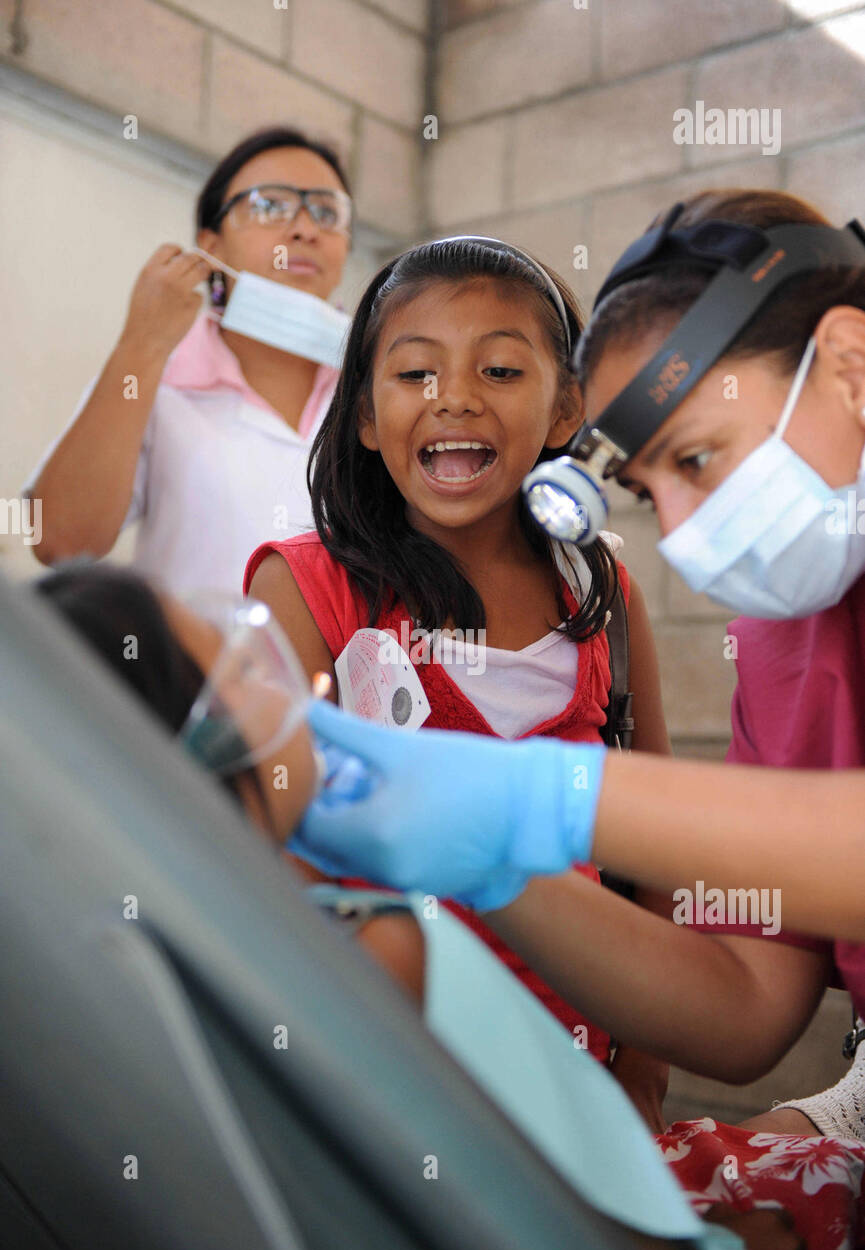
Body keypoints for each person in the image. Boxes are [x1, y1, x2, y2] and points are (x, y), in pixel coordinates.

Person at [289, 189, 865, 1250]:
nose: (688, 538)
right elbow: (747, 1007)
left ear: (847, 359)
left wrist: (540, 798)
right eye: (650, 492)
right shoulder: (787, 637)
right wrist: (496, 871)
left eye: (698, 460)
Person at [34, 561, 798, 1250]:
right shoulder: (374, 949)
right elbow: (515, 1220)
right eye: (240, 670)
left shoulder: (173, 982)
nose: (296, 684)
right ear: (205, 750)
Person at [243, 234, 673, 1120]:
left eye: (502, 371)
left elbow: (656, 846)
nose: (455, 400)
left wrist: (642, 1066)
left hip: (579, 1088)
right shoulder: (305, 588)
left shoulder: (606, 593)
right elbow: (258, 854)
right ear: (364, 415)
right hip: (377, 1084)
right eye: (414, 375)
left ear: (566, 411)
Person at [26, 126, 352, 593]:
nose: (305, 229)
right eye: (270, 205)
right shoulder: (154, 373)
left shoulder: (378, 387)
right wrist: (141, 345)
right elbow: (58, 540)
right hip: (186, 667)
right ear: (211, 246)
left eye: (326, 212)